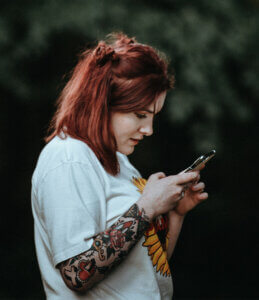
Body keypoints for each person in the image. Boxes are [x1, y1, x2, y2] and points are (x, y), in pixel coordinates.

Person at [31, 32, 208, 300]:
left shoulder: (119, 161)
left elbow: (147, 270)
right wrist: (147, 206)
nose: (148, 130)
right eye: (139, 115)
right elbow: (78, 273)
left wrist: (174, 214)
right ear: (102, 104)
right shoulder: (68, 157)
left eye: (153, 117)